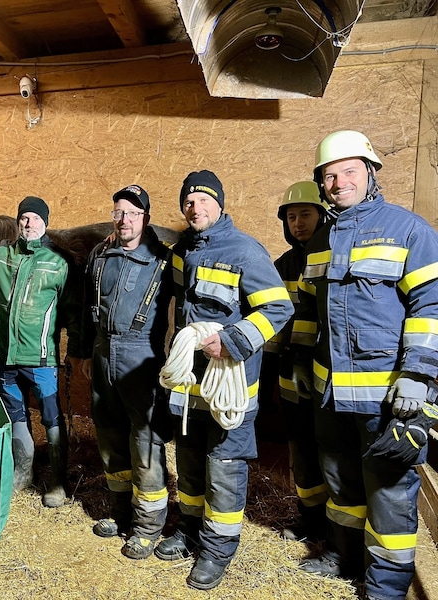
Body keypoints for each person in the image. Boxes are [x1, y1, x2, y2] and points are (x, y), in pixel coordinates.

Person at [290, 130, 438, 600]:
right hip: (330, 395)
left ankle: (387, 588)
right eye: (329, 176)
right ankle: (344, 555)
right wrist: (300, 372)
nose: (338, 182)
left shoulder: (409, 229)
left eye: (349, 171)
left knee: (390, 494)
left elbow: (431, 304)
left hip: (388, 397)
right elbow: (309, 314)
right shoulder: (320, 239)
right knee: (340, 485)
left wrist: (417, 375)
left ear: (370, 174)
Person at [156, 170, 293, 590]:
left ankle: (218, 550)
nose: (194, 208)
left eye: (202, 200)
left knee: (225, 467)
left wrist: (231, 342)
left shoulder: (246, 252)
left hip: (230, 383)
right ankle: (191, 530)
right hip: (193, 385)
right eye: (188, 202)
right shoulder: (184, 251)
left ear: (219, 203)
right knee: (191, 461)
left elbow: (278, 310)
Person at [73, 184, 175, 559]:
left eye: (132, 213)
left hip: (140, 355)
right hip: (102, 352)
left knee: (145, 441)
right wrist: (84, 353)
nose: (124, 219)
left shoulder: (163, 260)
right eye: (118, 212)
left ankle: (148, 526)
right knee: (110, 435)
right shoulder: (100, 254)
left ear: (145, 217)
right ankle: (120, 513)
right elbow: (86, 307)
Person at [0, 195, 78, 508]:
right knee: (16, 416)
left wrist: (75, 350)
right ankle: (23, 472)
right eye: (24, 218)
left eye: (36, 218)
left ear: (45, 223)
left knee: (51, 417)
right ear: (18, 222)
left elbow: (71, 310)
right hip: (4, 358)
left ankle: (57, 480)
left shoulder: (59, 263)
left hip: (41, 359)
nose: (29, 223)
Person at [268, 181, 331, 542]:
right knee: (303, 452)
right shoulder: (283, 266)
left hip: (331, 378)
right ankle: (310, 521)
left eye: (305, 214)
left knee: (333, 455)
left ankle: (339, 532)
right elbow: (275, 327)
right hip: (293, 378)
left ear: (322, 215)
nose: (298, 223)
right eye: (291, 217)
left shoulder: (337, 256)